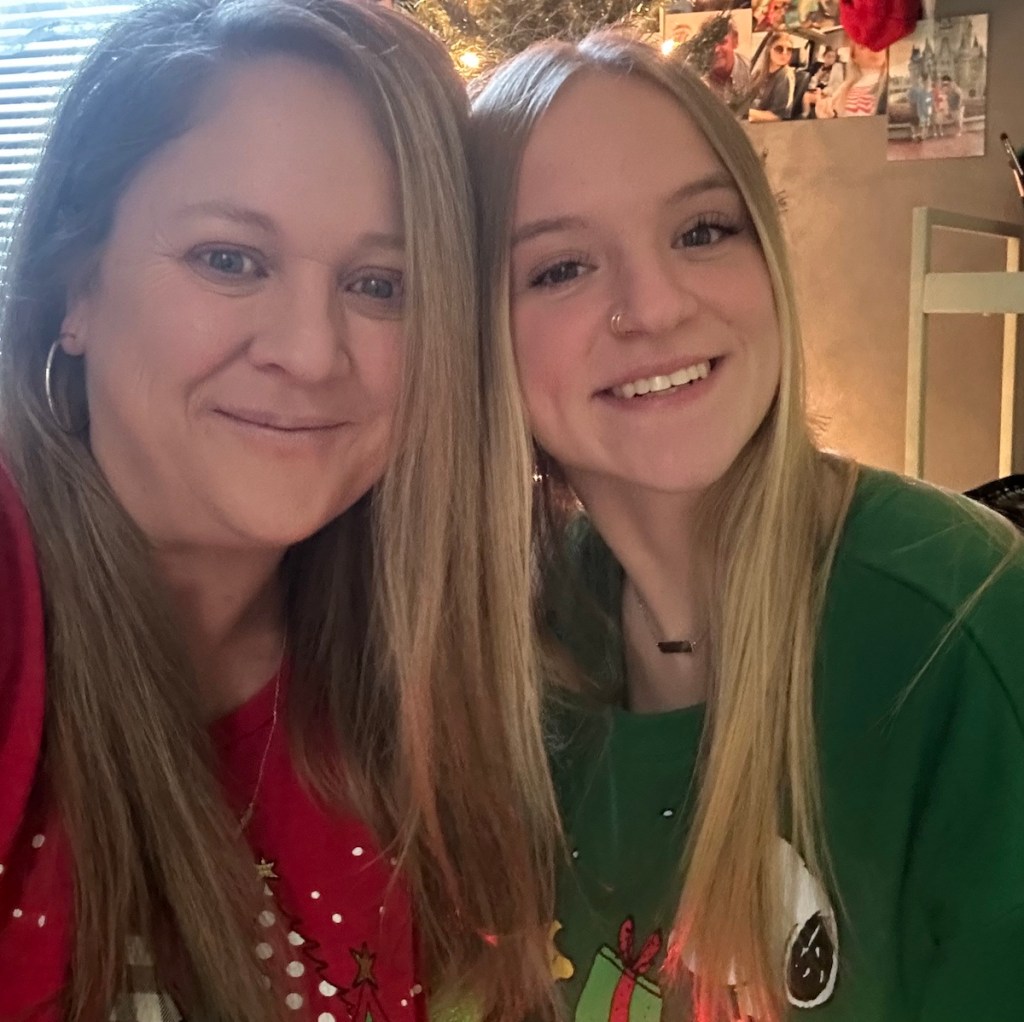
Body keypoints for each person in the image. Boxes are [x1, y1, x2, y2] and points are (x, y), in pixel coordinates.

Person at [0, 0, 559, 1019]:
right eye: (230, 259)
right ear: (74, 287)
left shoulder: (429, 676)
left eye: (380, 283)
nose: (309, 350)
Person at [471, 30, 1024, 1022]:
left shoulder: (959, 626)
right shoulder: (509, 644)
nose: (654, 305)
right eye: (559, 268)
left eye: (700, 232)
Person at [817, 40, 887, 118]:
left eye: (879, 42)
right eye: (863, 46)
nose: (874, 48)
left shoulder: (889, 83)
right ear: (854, 57)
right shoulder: (846, 87)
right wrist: (826, 113)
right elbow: (834, 114)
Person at [748, 32, 796, 122]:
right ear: (769, 49)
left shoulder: (785, 75)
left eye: (789, 49)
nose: (785, 53)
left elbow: (777, 116)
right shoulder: (760, 72)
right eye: (779, 49)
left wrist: (749, 113)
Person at [704, 19, 751, 107]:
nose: (716, 50)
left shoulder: (752, 73)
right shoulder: (698, 79)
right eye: (709, 44)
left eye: (722, 42)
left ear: (735, 41)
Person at [802, 45, 844, 118]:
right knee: (806, 95)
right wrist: (814, 87)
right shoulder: (821, 67)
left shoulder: (837, 67)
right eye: (828, 56)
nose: (831, 58)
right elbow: (814, 80)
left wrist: (824, 92)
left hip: (829, 93)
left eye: (833, 56)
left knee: (820, 100)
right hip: (818, 90)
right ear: (824, 57)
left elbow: (837, 85)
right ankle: (805, 115)